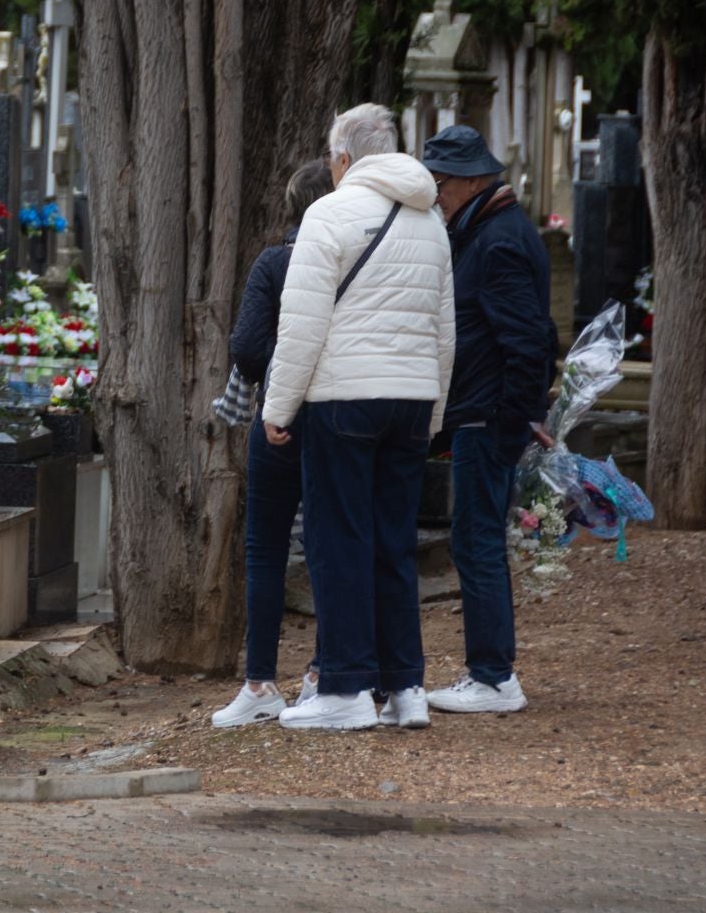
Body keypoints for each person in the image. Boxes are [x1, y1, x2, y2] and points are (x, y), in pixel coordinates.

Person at [261, 103, 455, 732]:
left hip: (344, 398)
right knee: (393, 543)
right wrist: (434, 413)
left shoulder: (328, 212)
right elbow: (444, 331)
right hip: (411, 398)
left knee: (337, 539)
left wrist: (277, 407)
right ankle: (406, 687)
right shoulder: (431, 219)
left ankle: (344, 687)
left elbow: (302, 325)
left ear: (343, 158)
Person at [419, 124, 558, 715]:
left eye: (441, 181)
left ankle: (493, 677)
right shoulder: (490, 229)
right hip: (482, 412)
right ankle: (490, 671)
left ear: (472, 179)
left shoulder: (496, 239)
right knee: (475, 541)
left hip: (486, 414)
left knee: (475, 543)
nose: (435, 192)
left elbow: (529, 342)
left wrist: (512, 421)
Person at [211, 159, 334, 728]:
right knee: (334, 545)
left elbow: (246, 346)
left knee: (265, 548)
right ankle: (322, 672)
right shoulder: (351, 261)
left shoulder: (275, 263)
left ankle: (260, 681)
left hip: (278, 420)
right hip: (339, 416)